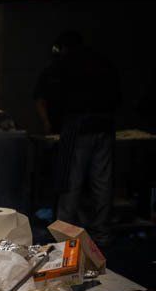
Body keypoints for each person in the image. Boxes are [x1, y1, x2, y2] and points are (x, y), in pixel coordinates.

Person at [34, 31, 120, 245]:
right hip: (104, 125)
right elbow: (117, 96)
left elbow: (44, 96)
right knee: (102, 182)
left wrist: (50, 123)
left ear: (62, 48)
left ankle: (63, 234)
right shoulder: (102, 62)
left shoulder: (63, 65)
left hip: (78, 125)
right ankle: (101, 233)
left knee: (70, 180)